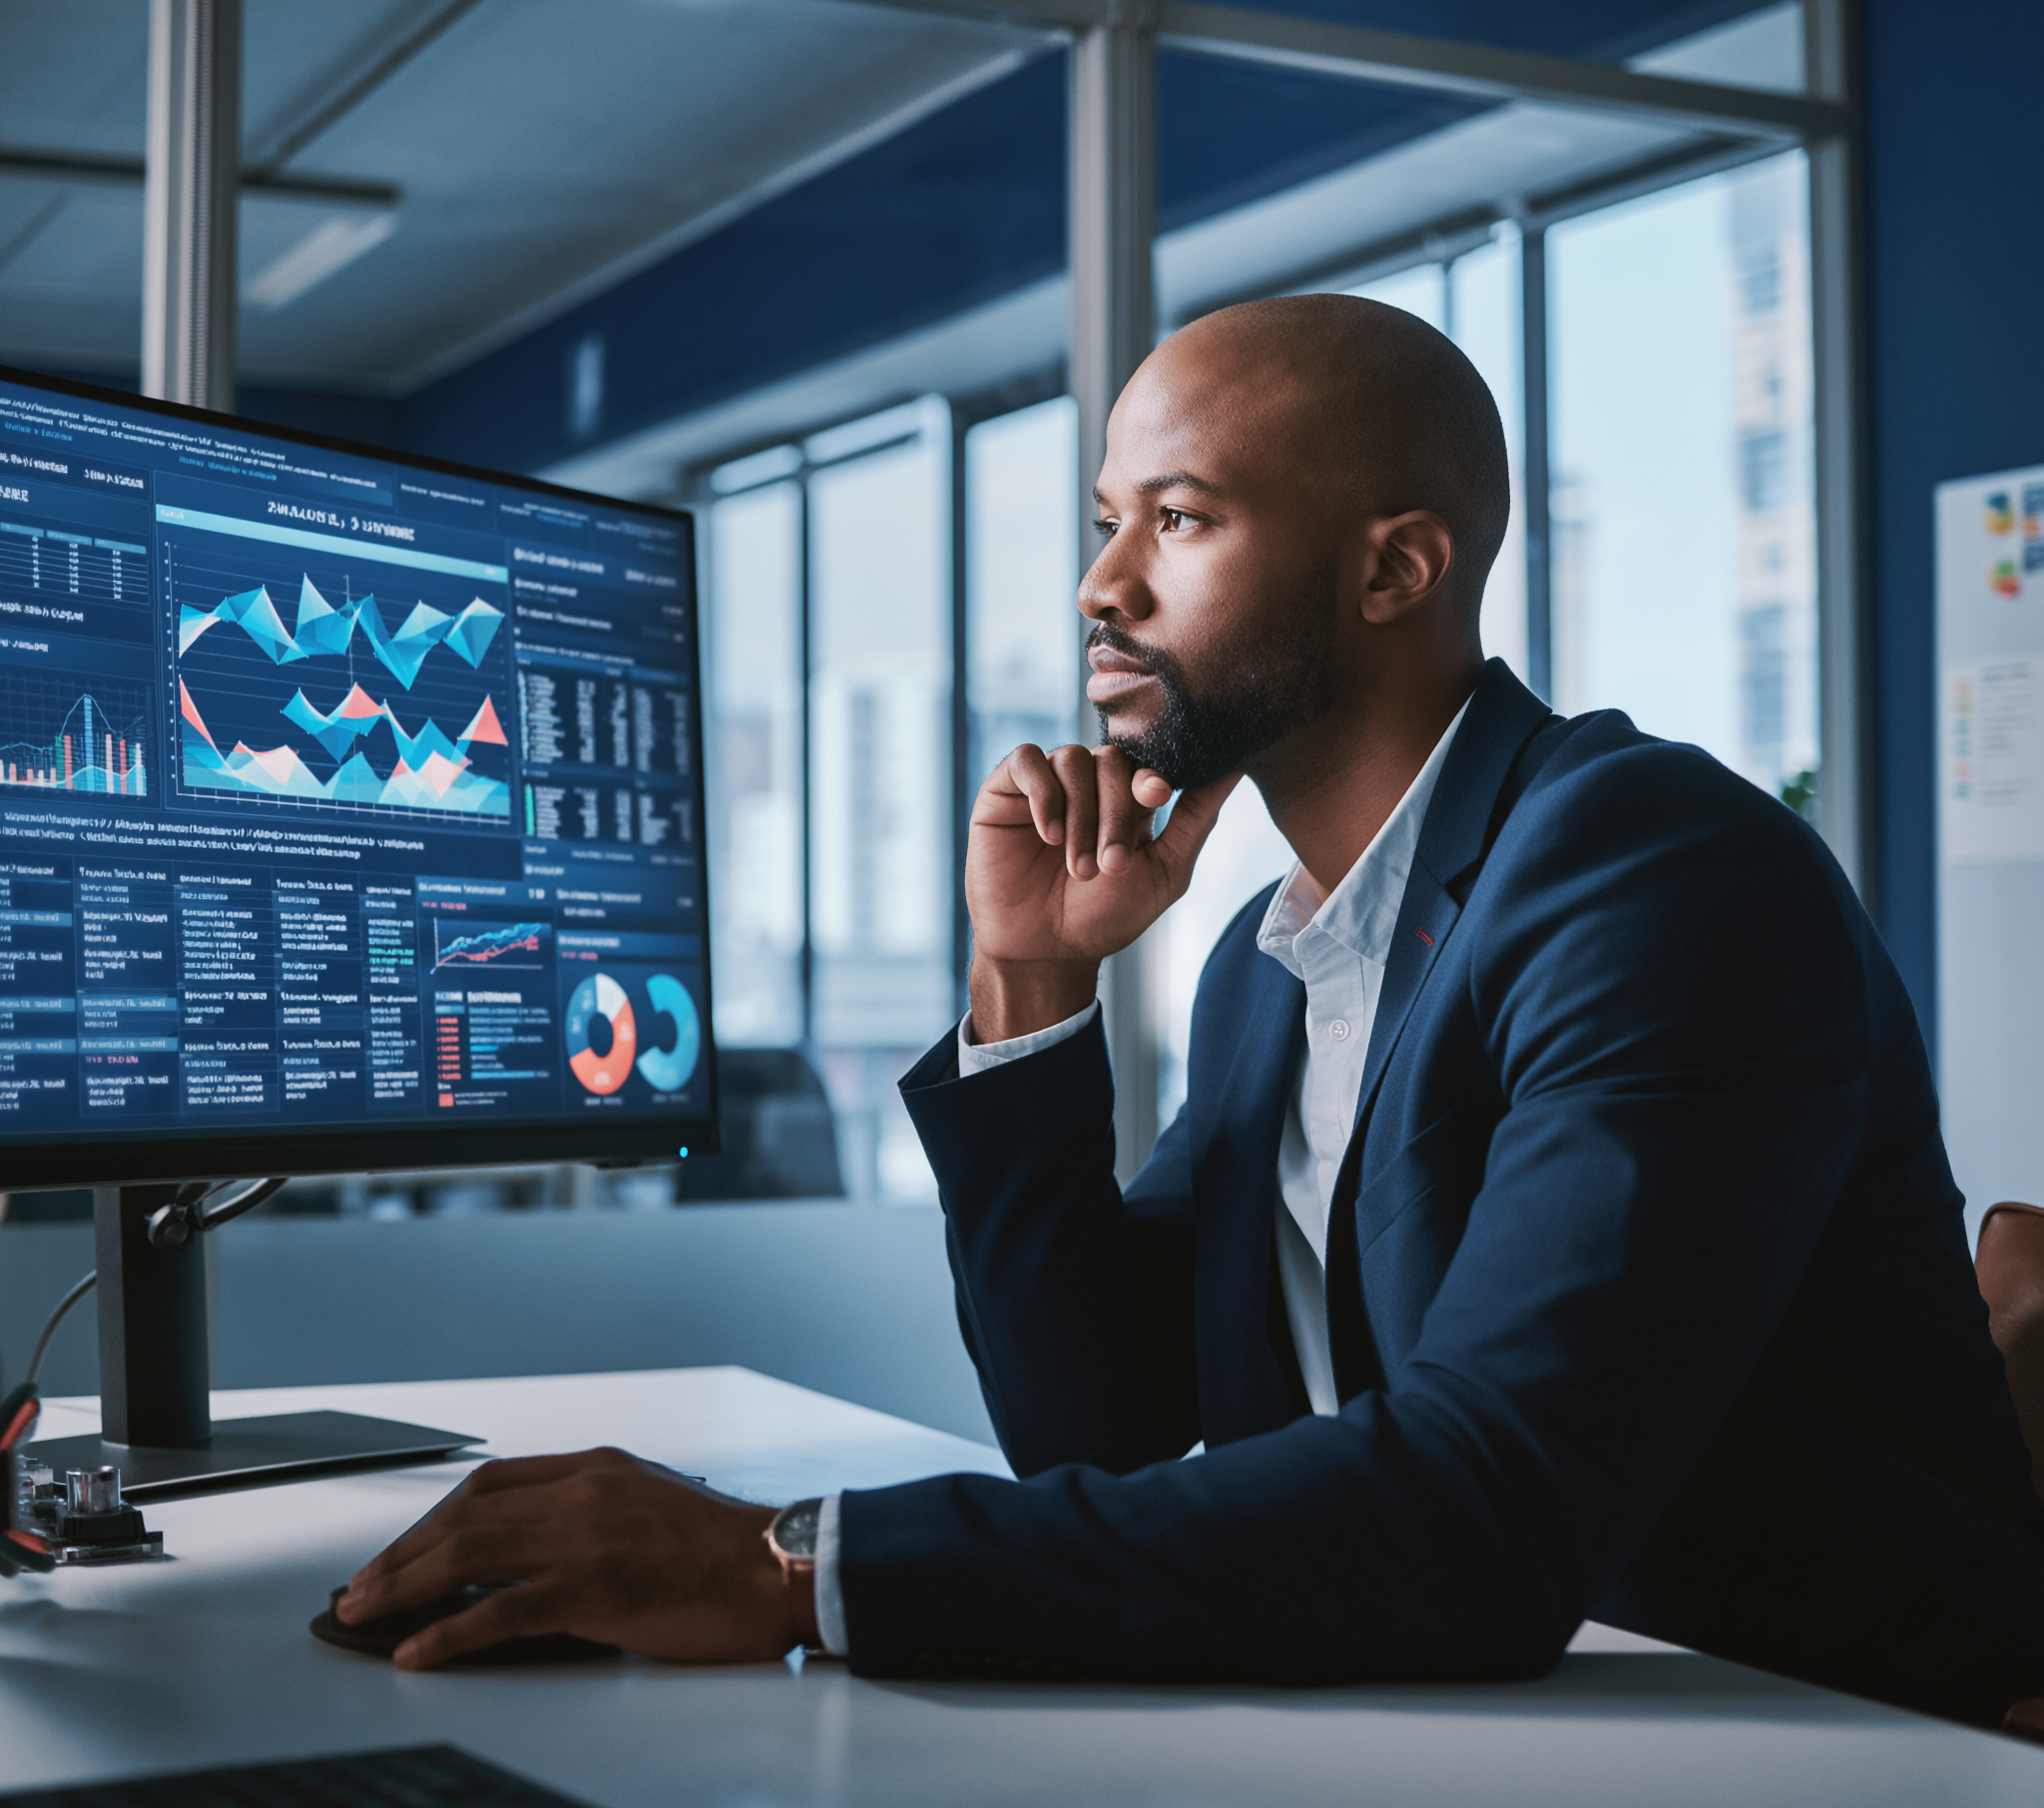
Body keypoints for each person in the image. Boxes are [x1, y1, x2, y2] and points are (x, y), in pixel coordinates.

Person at [338, 294, 2044, 1726]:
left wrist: (784, 1562)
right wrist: (1033, 980)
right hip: (1506, 1730)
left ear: (1393, 573)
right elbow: (1110, 1428)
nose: (1103, 588)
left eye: (1182, 519)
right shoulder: (1268, 962)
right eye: (1106, 519)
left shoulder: (1651, 874)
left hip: (1841, 1741)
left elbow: (1496, 1505)